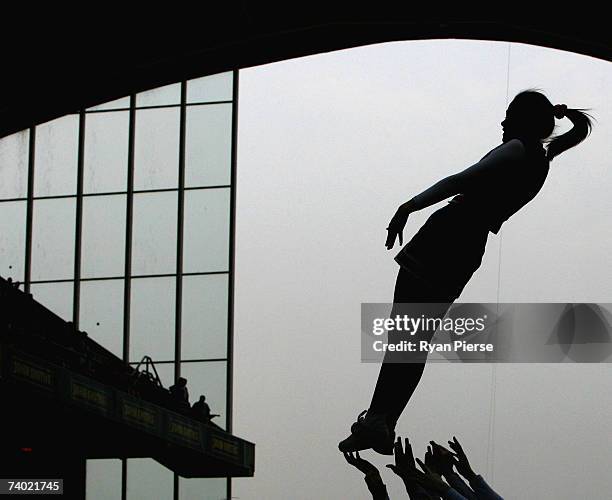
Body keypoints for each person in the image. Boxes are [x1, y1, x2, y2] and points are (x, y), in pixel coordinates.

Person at [339, 90, 593, 454]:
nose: (502, 124)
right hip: (467, 249)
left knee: (404, 336)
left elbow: (461, 180)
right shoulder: (541, 165)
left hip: (447, 235)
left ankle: (378, 421)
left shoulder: (518, 149)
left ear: (523, 121)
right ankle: (382, 421)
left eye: (508, 116)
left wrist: (409, 206)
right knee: (415, 340)